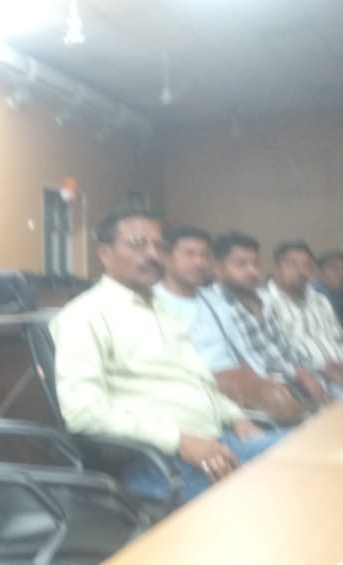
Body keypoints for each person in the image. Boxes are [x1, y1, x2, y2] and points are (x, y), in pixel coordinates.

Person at [50, 208, 282, 503]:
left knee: (313, 453)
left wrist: (234, 415)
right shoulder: (85, 315)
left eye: (159, 246)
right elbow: (82, 413)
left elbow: (196, 382)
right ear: (105, 253)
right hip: (160, 465)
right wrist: (179, 440)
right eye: (138, 244)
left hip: (217, 443)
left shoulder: (163, 310)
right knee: (302, 477)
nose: (152, 254)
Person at [153, 226, 303, 423]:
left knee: (294, 409)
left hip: (237, 383)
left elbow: (241, 352)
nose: (199, 262)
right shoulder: (153, 303)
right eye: (189, 254)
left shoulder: (214, 301)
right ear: (166, 257)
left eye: (204, 255)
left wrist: (261, 381)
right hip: (200, 389)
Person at [211, 232, 331, 408]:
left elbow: (285, 348)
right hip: (265, 393)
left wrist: (316, 370)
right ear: (218, 268)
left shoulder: (263, 298)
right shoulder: (217, 307)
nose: (252, 271)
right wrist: (298, 373)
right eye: (241, 264)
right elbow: (251, 362)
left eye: (255, 264)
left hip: (298, 381)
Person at [265, 241, 343, 393]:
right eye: (292, 264)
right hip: (309, 382)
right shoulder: (265, 305)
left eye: (307, 265)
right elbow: (275, 357)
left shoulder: (320, 300)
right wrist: (321, 369)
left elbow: (338, 337)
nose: (301, 271)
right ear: (276, 268)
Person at [312, 250, 343, 324]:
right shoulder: (315, 294)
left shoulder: (337, 291)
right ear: (318, 272)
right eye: (335, 269)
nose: (341, 273)